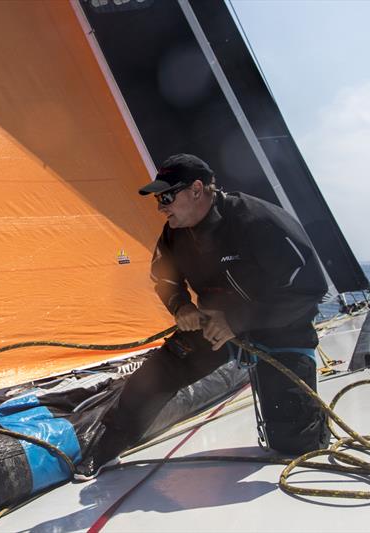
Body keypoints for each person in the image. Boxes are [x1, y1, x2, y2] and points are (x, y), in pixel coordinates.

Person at [73, 153, 330, 480]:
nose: (160, 207)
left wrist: (238, 320)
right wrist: (181, 306)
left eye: (166, 196)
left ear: (197, 189)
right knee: (153, 377)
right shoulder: (173, 234)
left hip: (279, 328)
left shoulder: (257, 220)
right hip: (212, 328)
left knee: (292, 440)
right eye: (157, 198)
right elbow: (164, 280)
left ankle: (314, 425)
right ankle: (104, 447)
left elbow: (309, 288)